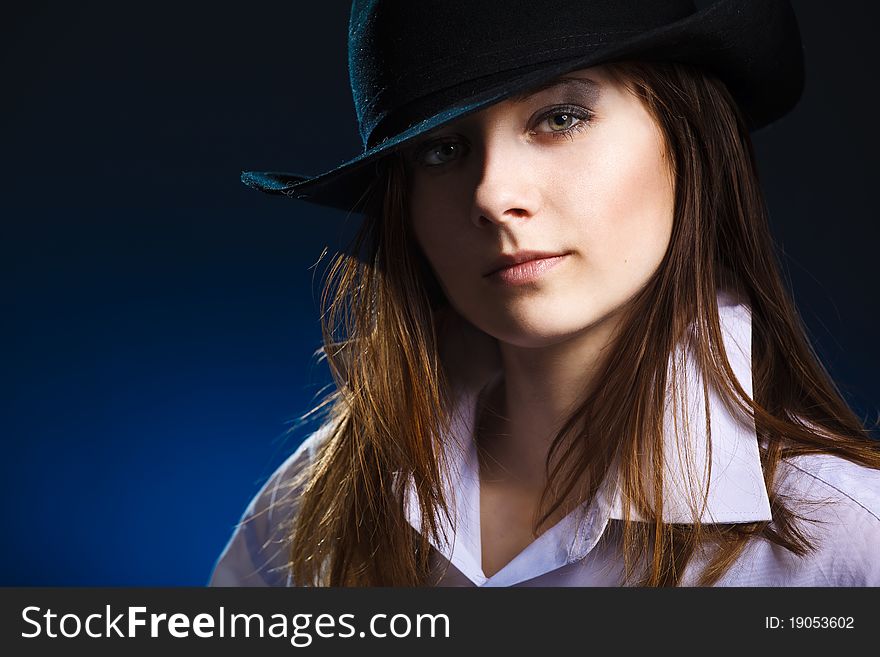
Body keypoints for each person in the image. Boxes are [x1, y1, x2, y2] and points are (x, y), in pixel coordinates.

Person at [209, 0, 880, 587]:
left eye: (560, 117)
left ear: (688, 141)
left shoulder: (847, 544)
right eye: (441, 150)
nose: (494, 195)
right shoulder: (315, 510)